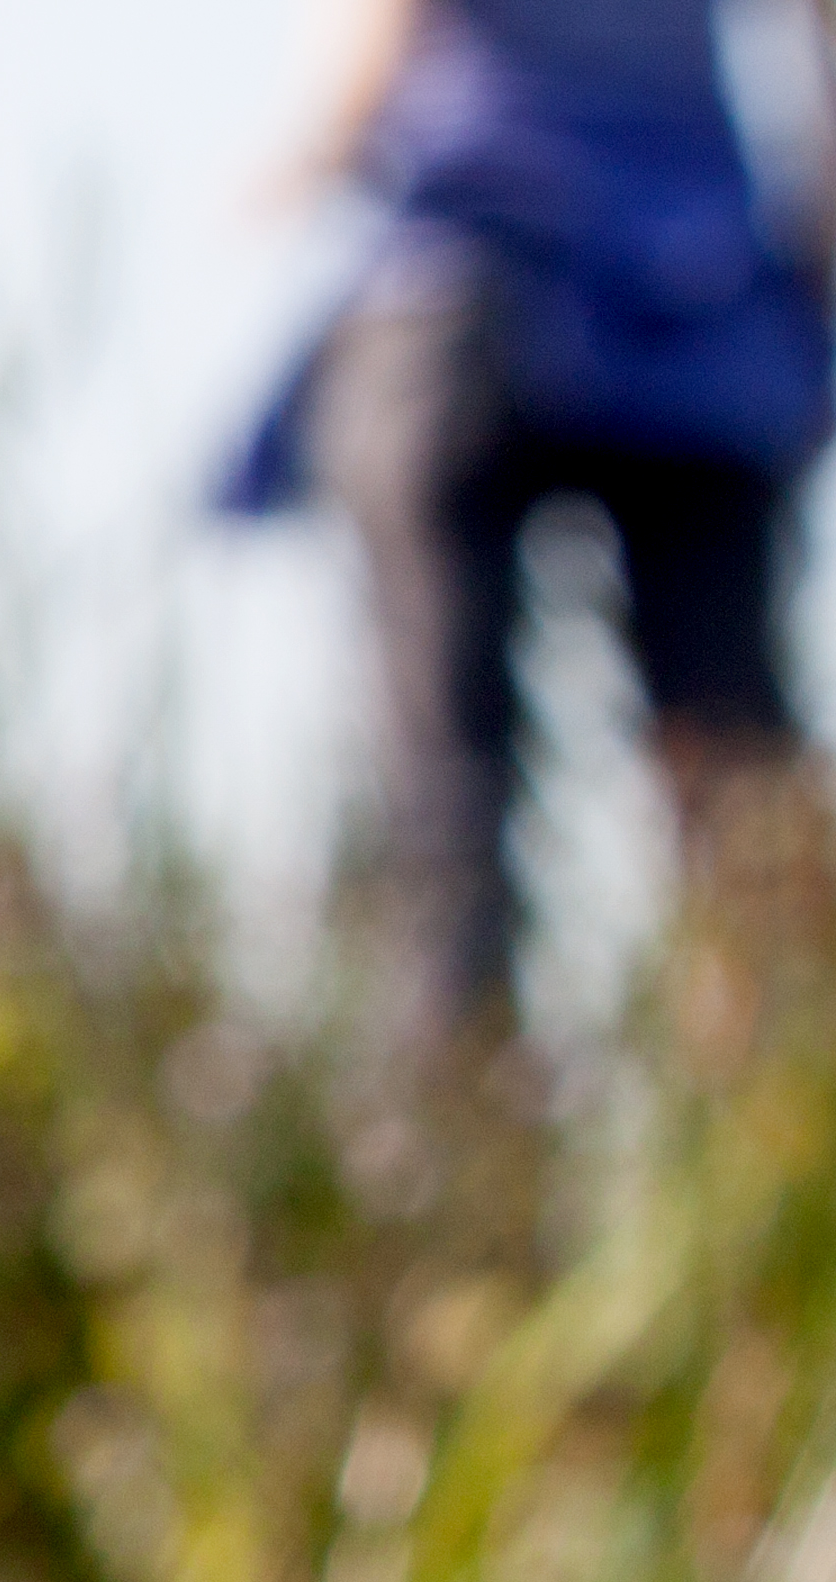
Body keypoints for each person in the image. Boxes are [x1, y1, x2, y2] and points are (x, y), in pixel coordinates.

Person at [233, 0, 836, 1189]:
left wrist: (316, 146)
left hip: (473, 286)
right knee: (742, 799)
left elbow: (376, 42)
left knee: (448, 798)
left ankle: (465, 1193)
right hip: (701, 287)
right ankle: (785, 1175)